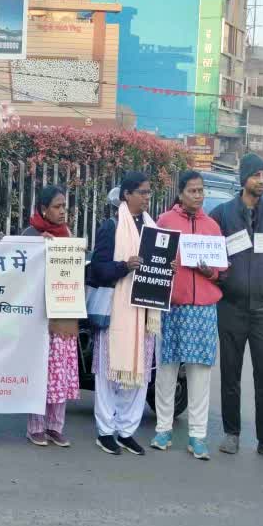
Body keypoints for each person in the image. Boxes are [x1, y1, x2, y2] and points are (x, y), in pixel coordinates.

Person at [209, 153, 263, 464]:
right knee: (231, 371)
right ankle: (232, 433)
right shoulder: (222, 215)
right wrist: (225, 280)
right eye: (257, 175)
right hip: (232, 306)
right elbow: (212, 257)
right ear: (244, 179)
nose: (262, 181)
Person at [152, 171, 224, 461]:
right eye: (192, 190)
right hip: (172, 305)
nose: (198, 195)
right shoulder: (165, 222)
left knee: (200, 372)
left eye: (201, 190)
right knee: (167, 368)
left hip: (204, 309)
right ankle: (163, 429)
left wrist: (211, 271)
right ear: (180, 193)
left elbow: (221, 269)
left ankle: (197, 436)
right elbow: (153, 261)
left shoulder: (213, 226)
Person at [88, 172, 156, 456]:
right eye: (142, 192)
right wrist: (124, 266)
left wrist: (167, 271)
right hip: (117, 310)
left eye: (149, 192)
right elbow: (97, 270)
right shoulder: (112, 226)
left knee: (139, 375)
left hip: (144, 311)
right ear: (126, 195)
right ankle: (106, 431)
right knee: (108, 375)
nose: (146, 197)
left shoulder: (153, 229)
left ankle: (127, 431)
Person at [22, 185, 81, 448]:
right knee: (41, 371)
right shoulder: (30, 234)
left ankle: (55, 426)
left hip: (63, 313)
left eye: (63, 207)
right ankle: (35, 426)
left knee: (61, 372)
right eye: (56, 207)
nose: (61, 212)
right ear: (43, 209)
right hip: (38, 316)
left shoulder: (66, 234)